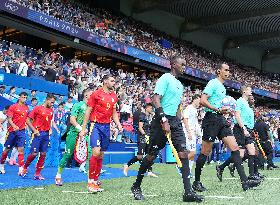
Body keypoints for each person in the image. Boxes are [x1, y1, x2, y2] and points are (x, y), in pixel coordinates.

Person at [130, 56, 203, 202]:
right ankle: (136, 185)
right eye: (182, 64)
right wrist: (163, 119)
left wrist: (179, 121)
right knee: (151, 155)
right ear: (173, 64)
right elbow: (155, 98)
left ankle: (188, 192)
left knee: (184, 153)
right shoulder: (165, 78)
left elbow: (177, 106)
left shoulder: (180, 85)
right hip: (160, 120)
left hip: (175, 122)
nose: (184, 67)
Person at [193, 64, 261, 192]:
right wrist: (217, 109)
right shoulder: (213, 83)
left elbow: (219, 105)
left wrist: (226, 111)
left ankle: (245, 183)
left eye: (229, 70)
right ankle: (196, 182)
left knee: (235, 149)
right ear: (219, 71)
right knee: (205, 152)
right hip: (211, 119)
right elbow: (202, 100)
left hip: (221, 119)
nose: (228, 72)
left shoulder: (223, 88)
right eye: (226, 69)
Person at [79, 74, 123, 193]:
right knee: (96, 152)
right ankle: (90, 181)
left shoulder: (114, 96)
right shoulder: (96, 94)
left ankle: (96, 181)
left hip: (106, 127)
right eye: (112, 80)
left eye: (115, 81)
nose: (114, 83)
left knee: (101, 155)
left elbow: (114, 112)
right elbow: (88, 111)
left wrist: (118, 124)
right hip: (95, 125)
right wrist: (83, 128)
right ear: (105, 82)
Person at [217, 86, 261, 181]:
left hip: (248, 129)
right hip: (240, 129)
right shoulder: (240, 101)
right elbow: (237, 116)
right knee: (240, 154)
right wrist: (243, 128)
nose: (251, 91)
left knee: (252, 151)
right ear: (244, 91)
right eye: (250, 90)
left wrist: (250, 129)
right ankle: (221, 167)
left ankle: (252, 175)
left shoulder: (247, 104)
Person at [55, 89, 93, 186]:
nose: (93, 96)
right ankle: (58, 176)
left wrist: (86, 130)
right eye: (91, 94)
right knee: (68, 155)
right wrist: (80, 129)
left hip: (84, 134)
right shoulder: (78, 105)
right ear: (86, 96)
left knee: (90, 153)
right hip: (73, 133)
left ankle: (90, 180)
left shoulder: (91, 107)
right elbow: (72, 119)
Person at [20, 93, 57, 179]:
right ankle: (25, 167)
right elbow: (28, 120)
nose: (52, 104)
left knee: (43, 153)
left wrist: (50, 129)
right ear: (47, 100)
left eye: (53, 103)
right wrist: (34, 130)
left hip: (46, 134)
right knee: (34, 153)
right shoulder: (37, 108)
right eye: (51, 102)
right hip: (38, 134)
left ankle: (37, 174)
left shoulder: (51, 110)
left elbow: (49, 121)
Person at [123, 103, 157, 177]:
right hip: (142, 137)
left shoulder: (150, 117)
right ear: (147, 108)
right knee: (140, 156)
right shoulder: (142, 115)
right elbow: (140, 127)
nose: (152, 110)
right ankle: (127, 165)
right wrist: (145, 135)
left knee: (150, 154)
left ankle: (150, 171)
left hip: (149, 137)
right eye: (151, 108)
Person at [0, 92, 29, 174]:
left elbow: (27, 119)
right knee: (7, 150)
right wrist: (14, 126)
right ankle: (1, 165)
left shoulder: (26, 108)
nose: (24, 99)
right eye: (23, 97)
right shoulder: (13, 106)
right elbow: (9, 119)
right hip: (12, 132)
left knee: (21, 149)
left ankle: (21, 169)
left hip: (22, 131)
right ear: (19, 97)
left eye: (26, 97)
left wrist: (30, 129)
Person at [181, 94, 201, 175]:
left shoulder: (195, 110)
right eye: (199, 100)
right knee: (192, 152)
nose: (200, 102)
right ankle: (180, 166)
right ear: (195, 99)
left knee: (192, 153)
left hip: (193, 133)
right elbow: (185, 119)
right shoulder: (189, 108)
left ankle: (188, 171)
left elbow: (195, 123)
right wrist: (189, 132)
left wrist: (198, 134)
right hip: (188, 132)